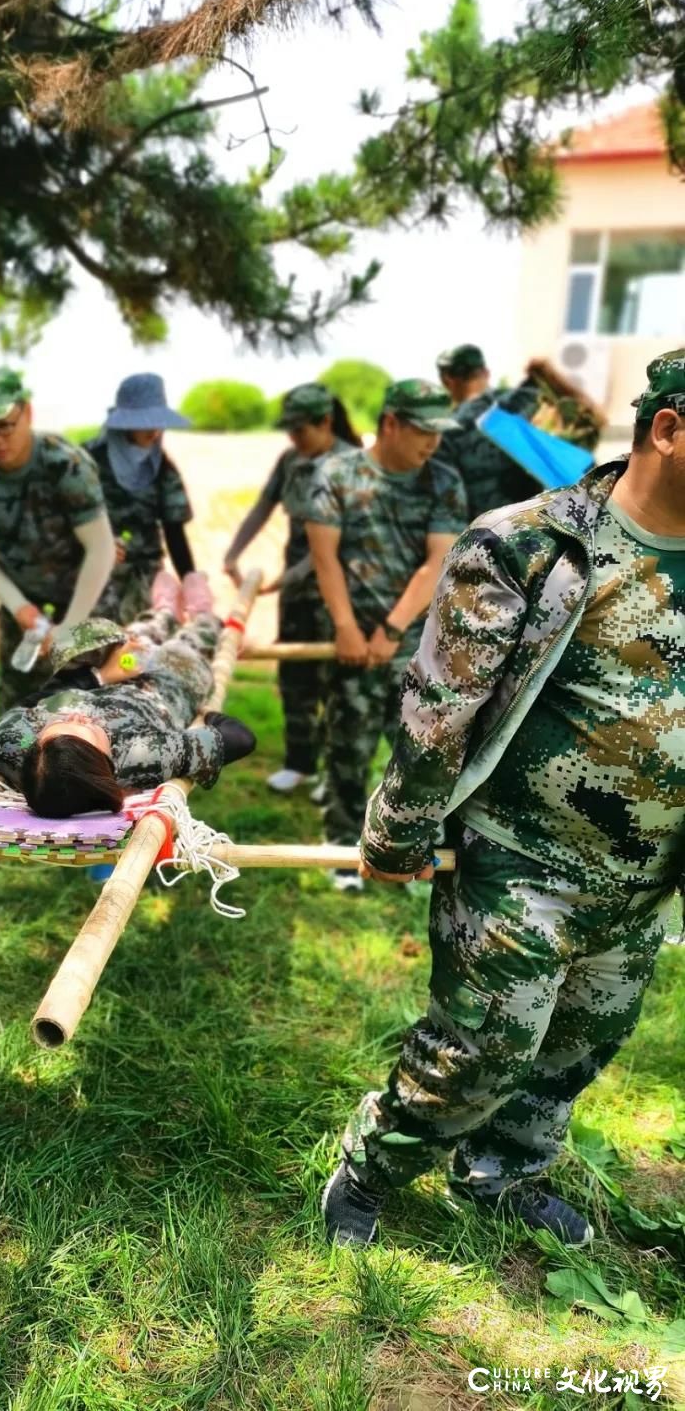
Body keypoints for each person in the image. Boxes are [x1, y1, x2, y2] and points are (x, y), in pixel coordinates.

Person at [321, 348, 685, 1250]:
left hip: (644, 880)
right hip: (520, 862)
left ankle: (502, 1173)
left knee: (574, 1051)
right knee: (479, 1051)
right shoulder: (534, 542)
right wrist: (398, 829)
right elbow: (442, 707)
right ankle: (371, 1164)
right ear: (670, 431)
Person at [300, 380, 469, 890]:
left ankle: (404, 848)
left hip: (419, 643)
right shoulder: (336, 475)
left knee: (419, 753)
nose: (432, 443)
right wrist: (349, 629)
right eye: (423, 431)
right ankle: (338, 849)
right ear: (390, 423)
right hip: (350, 640)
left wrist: (393, 630)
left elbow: (437, 561)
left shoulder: (443, 480)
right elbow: (325, 559)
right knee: (347, 747)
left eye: (440, 432)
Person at [0, 572, 255, 813]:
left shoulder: (14, 747)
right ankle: (201, 615)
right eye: (90, 729)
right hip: (167, 682)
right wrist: (203, 716)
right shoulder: (144, 757)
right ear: (106, 759)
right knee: (188, 644)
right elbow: (241, 738)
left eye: (61, 724)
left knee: (111, 640)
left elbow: (33, 703)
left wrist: (101, 676)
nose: (78, 717)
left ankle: (162, 615)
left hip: (109, 675)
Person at [223, 383, 363, 797]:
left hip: (337, 584)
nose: (293, 439)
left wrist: (285, 579)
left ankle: (334, 773)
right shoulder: (291, 460)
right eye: (290, 431)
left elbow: (331, 548)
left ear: (325, 422)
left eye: (301, 430)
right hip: (297, 587)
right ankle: (299, 762)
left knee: (337, 681)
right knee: (295, 676)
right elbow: (262, 507)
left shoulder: (351, 466)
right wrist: (233, 553)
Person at [0, 369, 115, 709]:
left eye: (4, 425)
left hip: (84, 599)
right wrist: (20, 607)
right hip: (22, 604)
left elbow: (101, 548)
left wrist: (69, 628)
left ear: (26, 413)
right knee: (20, 708)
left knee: (92, 707)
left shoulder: (65, 465)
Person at [435, 344, 598, 520]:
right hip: (547, 523)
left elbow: (446, 498)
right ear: (486, 373)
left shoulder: (449, 431)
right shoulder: (531, 401)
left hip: (487, 531)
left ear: (447, 380)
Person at [88, 372, 196, 624]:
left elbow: (174, 532)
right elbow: (60, 520)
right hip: (95, 583)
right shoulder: (87, 463)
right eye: (145, 422)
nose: (154, 431)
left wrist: (191, 582)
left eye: (157, 423)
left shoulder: (162, 469)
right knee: (95, 657)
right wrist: (97, 543)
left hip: (147, 585)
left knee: (141, 656)